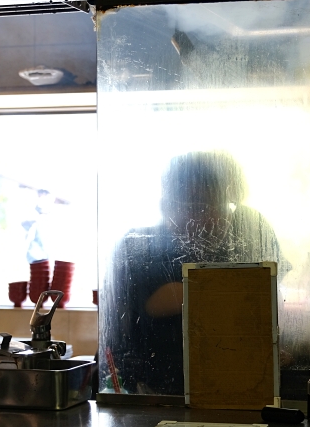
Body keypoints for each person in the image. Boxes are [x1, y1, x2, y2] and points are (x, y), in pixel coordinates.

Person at [102, 151, 285, 395]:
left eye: (217, 204)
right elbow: (163, 300)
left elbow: (269, 295)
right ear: (165, 206)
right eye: (194, 205)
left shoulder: (248, 233)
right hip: (154, 390)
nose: (206, 216)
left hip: (233, 382)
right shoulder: (141, 245)